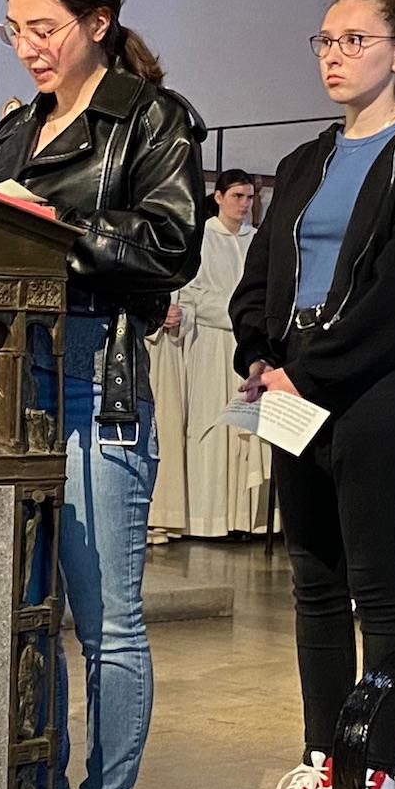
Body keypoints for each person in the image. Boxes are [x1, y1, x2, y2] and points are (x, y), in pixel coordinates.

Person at [0, 0, 204, 789]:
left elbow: (170, 245)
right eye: (15, 29)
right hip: (0, 381)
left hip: (91, 380)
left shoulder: (151, 119)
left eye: (45, 27)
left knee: (107, 623)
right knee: (25, 615)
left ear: (98, 24)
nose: (27, 46)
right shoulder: (11, 129)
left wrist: (54, 227)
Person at [231, 0, 395, 789]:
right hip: (295, 392)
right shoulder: (304, 160)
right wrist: (260, 359)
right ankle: (325, 761)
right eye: (324, 38)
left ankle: (375, 778)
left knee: (379, 588)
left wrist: (307, 373)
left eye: (354, 38)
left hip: (378, 395)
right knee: (314, 587)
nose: (333, 53)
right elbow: (260, 280)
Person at [149, 170, 265, 543]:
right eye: (238, 197)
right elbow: (190, 295)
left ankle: (246, 520)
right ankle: (208, 517)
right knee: (212, 430)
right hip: (211, 345)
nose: (244, 205)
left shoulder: (257, 241)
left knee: (247, 432)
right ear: (218, 197)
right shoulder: (202, 239)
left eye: (249, 198)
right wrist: (235, 314)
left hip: (248, 345)